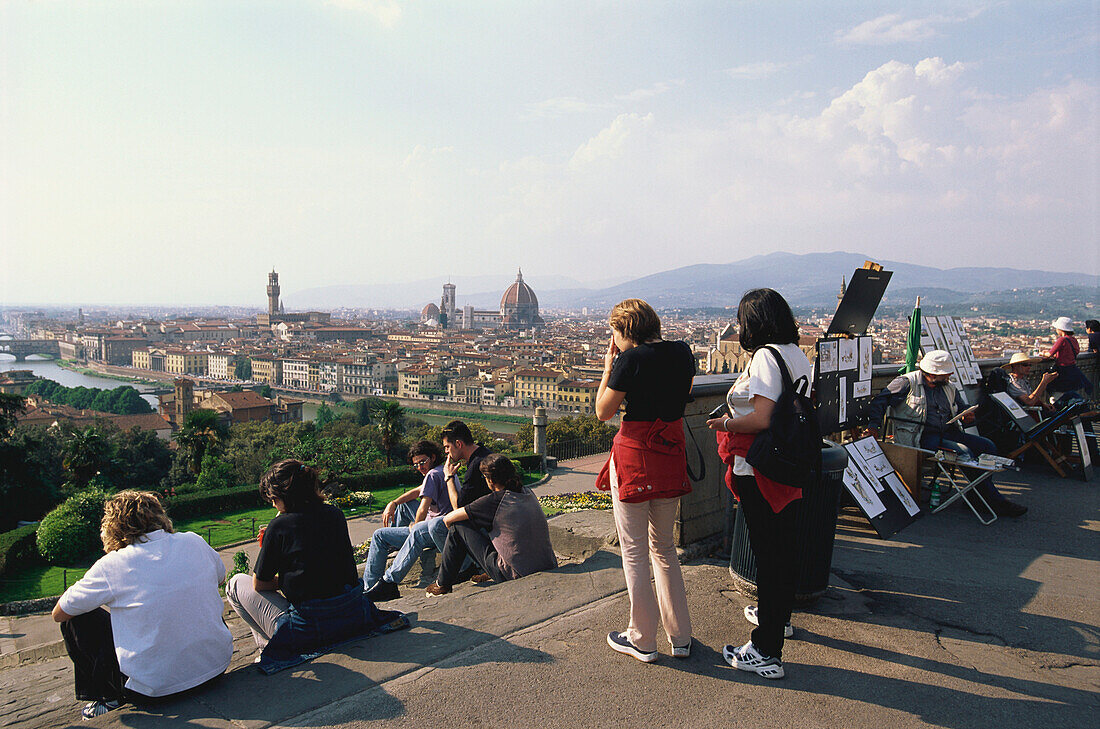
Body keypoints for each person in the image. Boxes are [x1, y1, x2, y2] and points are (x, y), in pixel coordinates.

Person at [703, 288, 810, 680]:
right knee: (781, 548)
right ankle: (776, 620)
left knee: (769, 554)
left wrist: (724, 423)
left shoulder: (766, 356)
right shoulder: (796, 354)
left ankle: (766, 651)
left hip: (760, 467)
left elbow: (763, 417)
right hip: (788, 464)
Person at [52, 490, 232, 720]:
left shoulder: (112, 564)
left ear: (112, 527)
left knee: (76, 618)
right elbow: (220, 578)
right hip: (216, 668)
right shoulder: (193, 541)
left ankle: (108, 695)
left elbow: (59, 613)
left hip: (154, 689)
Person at [226, 460, 408, 674]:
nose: (273, 504)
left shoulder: (280, 527)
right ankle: (276, 643)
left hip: (312, 627)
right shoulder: (334, 514)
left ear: (285, 496)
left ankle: (270, 646)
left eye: (274, 499)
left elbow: (260, 584)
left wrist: (274, 547)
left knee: (235, 583)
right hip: (352, 614)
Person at [593, 298, 695, 664]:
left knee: (635, 551)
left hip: (635, 458)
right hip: (669, 456)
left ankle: (642, 639)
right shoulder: (683, 353)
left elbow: (603, 411)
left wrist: (609, 368)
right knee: (664, 549)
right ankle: (680, 636)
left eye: (614, 333)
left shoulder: (629, 360)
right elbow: (681, 395)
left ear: (625, 330)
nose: (613, 340)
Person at [864, 350, 1027, 517]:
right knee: (964, 452)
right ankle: (992, 500)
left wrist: (967, 416)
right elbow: (880, 401)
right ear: (932, 374)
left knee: (987, 446)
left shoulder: (948, 387)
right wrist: (874, 426)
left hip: (948, 431)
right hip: (921, 436)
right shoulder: (907, 382)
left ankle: (977, 495)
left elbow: (962, 408)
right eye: (945, 375)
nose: (948, 377)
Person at [424, 454, 557, 595]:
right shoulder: (526, 492)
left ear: (491, 480)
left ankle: (442, 584)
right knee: (486, 524)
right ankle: (485, 570)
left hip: (514, 572)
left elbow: (449, 519)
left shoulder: (494, 500)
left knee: (459, 527)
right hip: (546, 563)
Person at [364, 440, 452, 602]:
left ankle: (370, 587)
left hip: (433, 531)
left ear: (433, 457)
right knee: (404, 506)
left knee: (379, 536)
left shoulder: (432, 475)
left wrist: (415, 526)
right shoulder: (439, 471)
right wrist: (394, 503)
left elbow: (422, 508)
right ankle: (399, 546)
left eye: (422, 462)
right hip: (440, 526)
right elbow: (415, 492)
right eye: (416, 464)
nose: (420, 467)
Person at [1044, 316, 1092, 401]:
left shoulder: (1062, 340)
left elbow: (1049, 354)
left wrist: (1042, 353)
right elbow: (1075, 352)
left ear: (1060, 329)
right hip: (1072, 370)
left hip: (1062, 371)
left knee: (1056, 394)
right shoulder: (1074, 340)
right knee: (1068, 395)